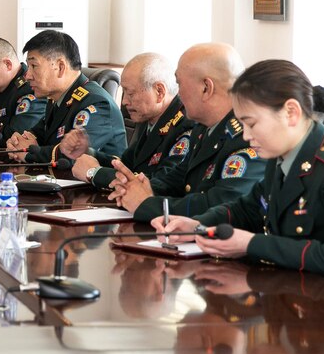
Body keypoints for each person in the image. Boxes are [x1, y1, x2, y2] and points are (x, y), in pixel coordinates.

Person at [155, 60, 324, 288]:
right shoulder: (280, 158)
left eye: (251, 123)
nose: (245, 136)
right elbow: (248, 208)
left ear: (290, 113)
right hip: (286, 297)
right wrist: (197, 225)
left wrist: (252, 244)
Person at [109, 43, 266, 221]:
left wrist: (147, 204)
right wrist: (138, 187)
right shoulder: (203, 128)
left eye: (179, 83)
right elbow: (178, 178)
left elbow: (220, 205)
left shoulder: (248, 136)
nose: (177, 93)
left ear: (206, 88)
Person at [64, 52, 195, 187]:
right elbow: (126, 165)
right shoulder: (151, 119)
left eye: (131, 93)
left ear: (159, 91)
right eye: (124, 92)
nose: (125, 101)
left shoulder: (186, 126)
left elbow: (162, 183)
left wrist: (95, 173)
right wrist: (88, 152)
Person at [6, 29, 126, 163]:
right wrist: (18, 141)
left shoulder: (96, 102)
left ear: (61, 67)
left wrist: (30, 153)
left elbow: (75, 154)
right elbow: (39, 133)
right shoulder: (57, 99)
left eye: (34, 66)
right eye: (28, 66)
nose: (27, 76)